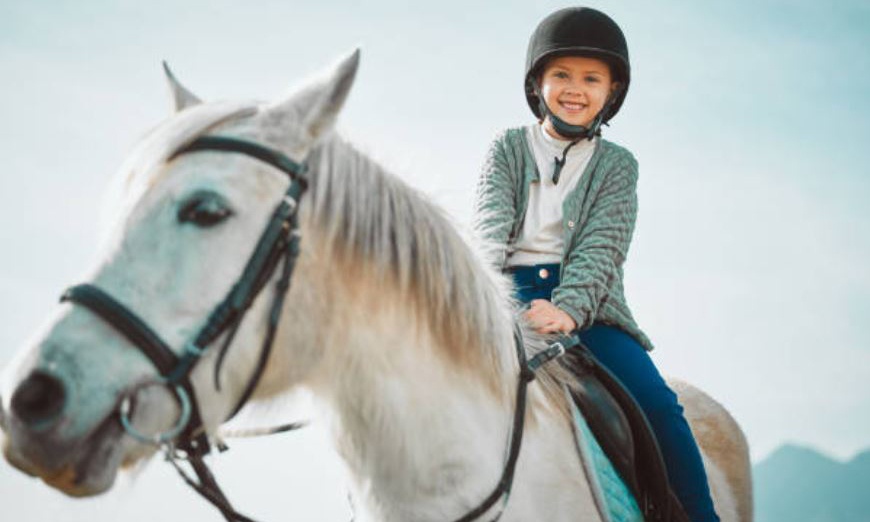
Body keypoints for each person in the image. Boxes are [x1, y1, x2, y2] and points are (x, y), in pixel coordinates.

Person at [472, 7, 721, 522]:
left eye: (591, 78)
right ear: (537, 83)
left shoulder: (617, 165)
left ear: (612, 93)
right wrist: (489, 300)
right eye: (561, 74)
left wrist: (568, 309)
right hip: (502, 296)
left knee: (660, 406)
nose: (574, 88)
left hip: (590, 307)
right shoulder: (507, 148)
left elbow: (603, 247)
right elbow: (489, 229)